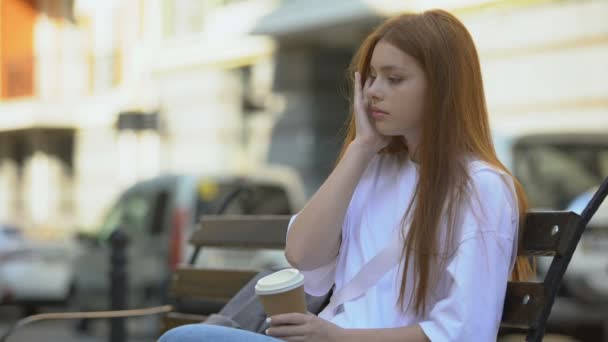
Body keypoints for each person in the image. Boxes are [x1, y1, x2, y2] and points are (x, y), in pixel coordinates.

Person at [158, 8, 533, 342]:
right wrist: (360, 149)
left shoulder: (481, 187)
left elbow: (462, 332)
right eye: (370, 77)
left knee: (187, 339)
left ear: (441, 88)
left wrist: (336, 335)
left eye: (394, 78)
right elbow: (302, 254)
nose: (373, 92)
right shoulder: (374, 169)